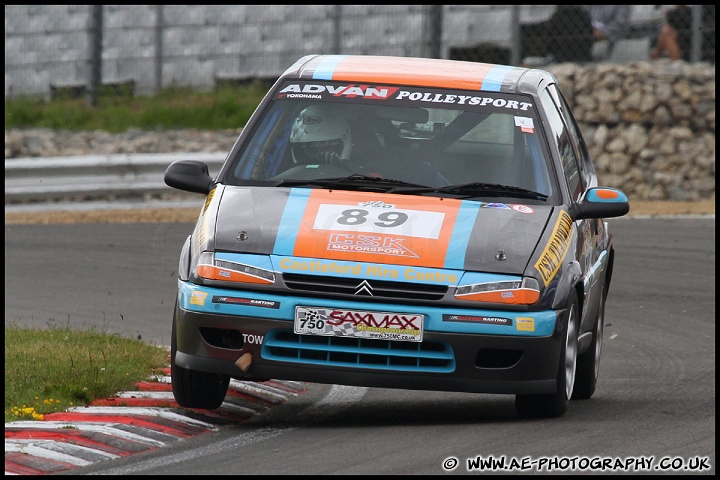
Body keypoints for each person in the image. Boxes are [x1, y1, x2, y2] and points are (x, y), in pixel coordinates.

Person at [289, 105, 353, 165]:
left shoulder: (357, 174)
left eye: (325, 146)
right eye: (311, 147)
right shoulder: (288, 176)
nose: (319, 155)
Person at [649, 5, 715, 63]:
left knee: (667, 34)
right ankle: (656, 55)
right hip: (689, 39)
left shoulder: (678, 14)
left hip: (696, 40)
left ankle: (656, 55)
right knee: (667, 33)